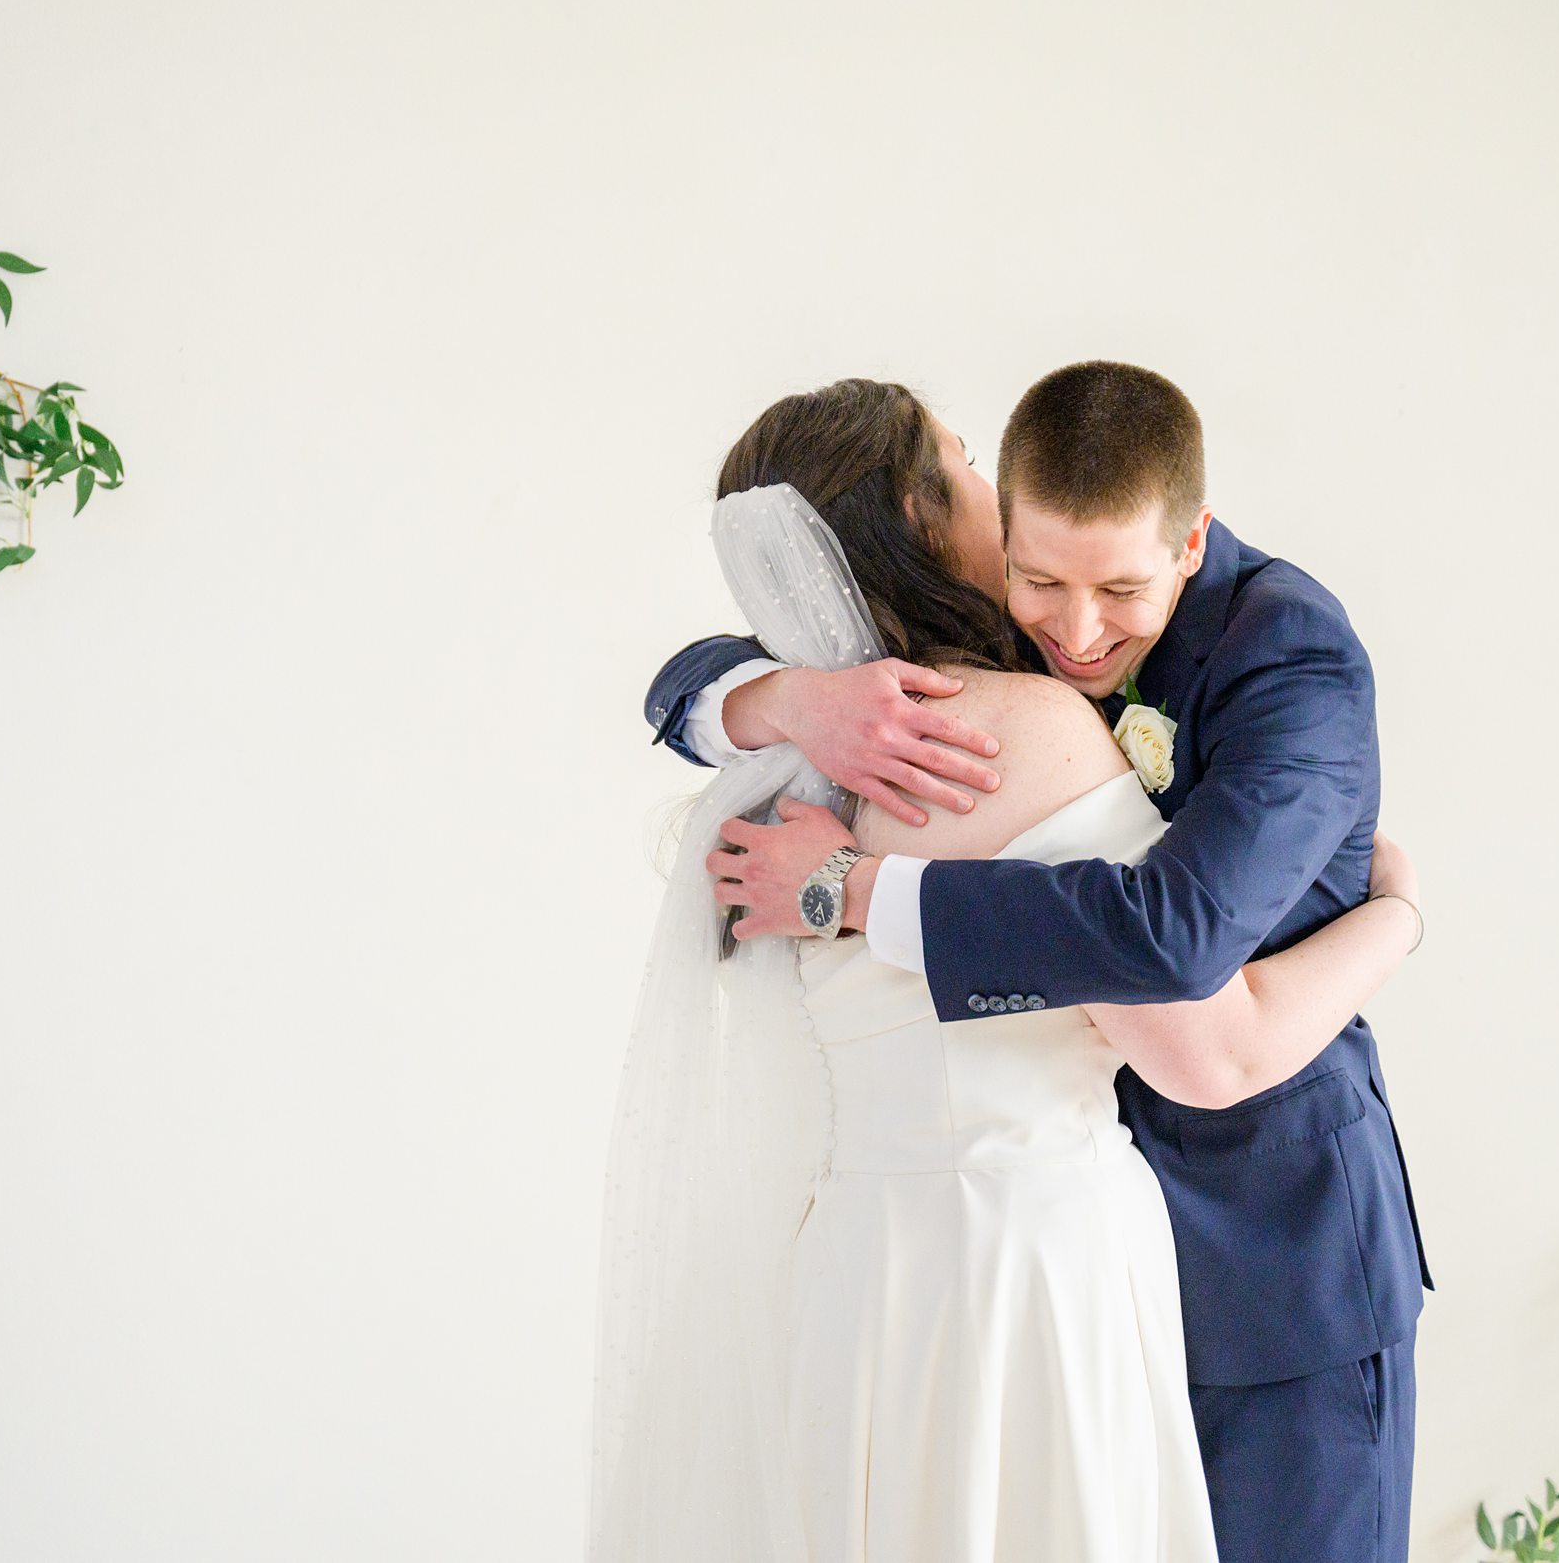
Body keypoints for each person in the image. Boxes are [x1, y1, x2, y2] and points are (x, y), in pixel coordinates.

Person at [588, 379, 1426, 1563]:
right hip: (1043, 1273)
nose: (1080, 632)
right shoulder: (940, 721)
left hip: (1259, 1268)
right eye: (976, 476)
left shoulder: (1279, 652)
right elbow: (1209, 1034)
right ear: (934, 526)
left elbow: (1173, 930)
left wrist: (833, 838)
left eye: (1123, 592)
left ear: (1185, 543)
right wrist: (1402, 916)